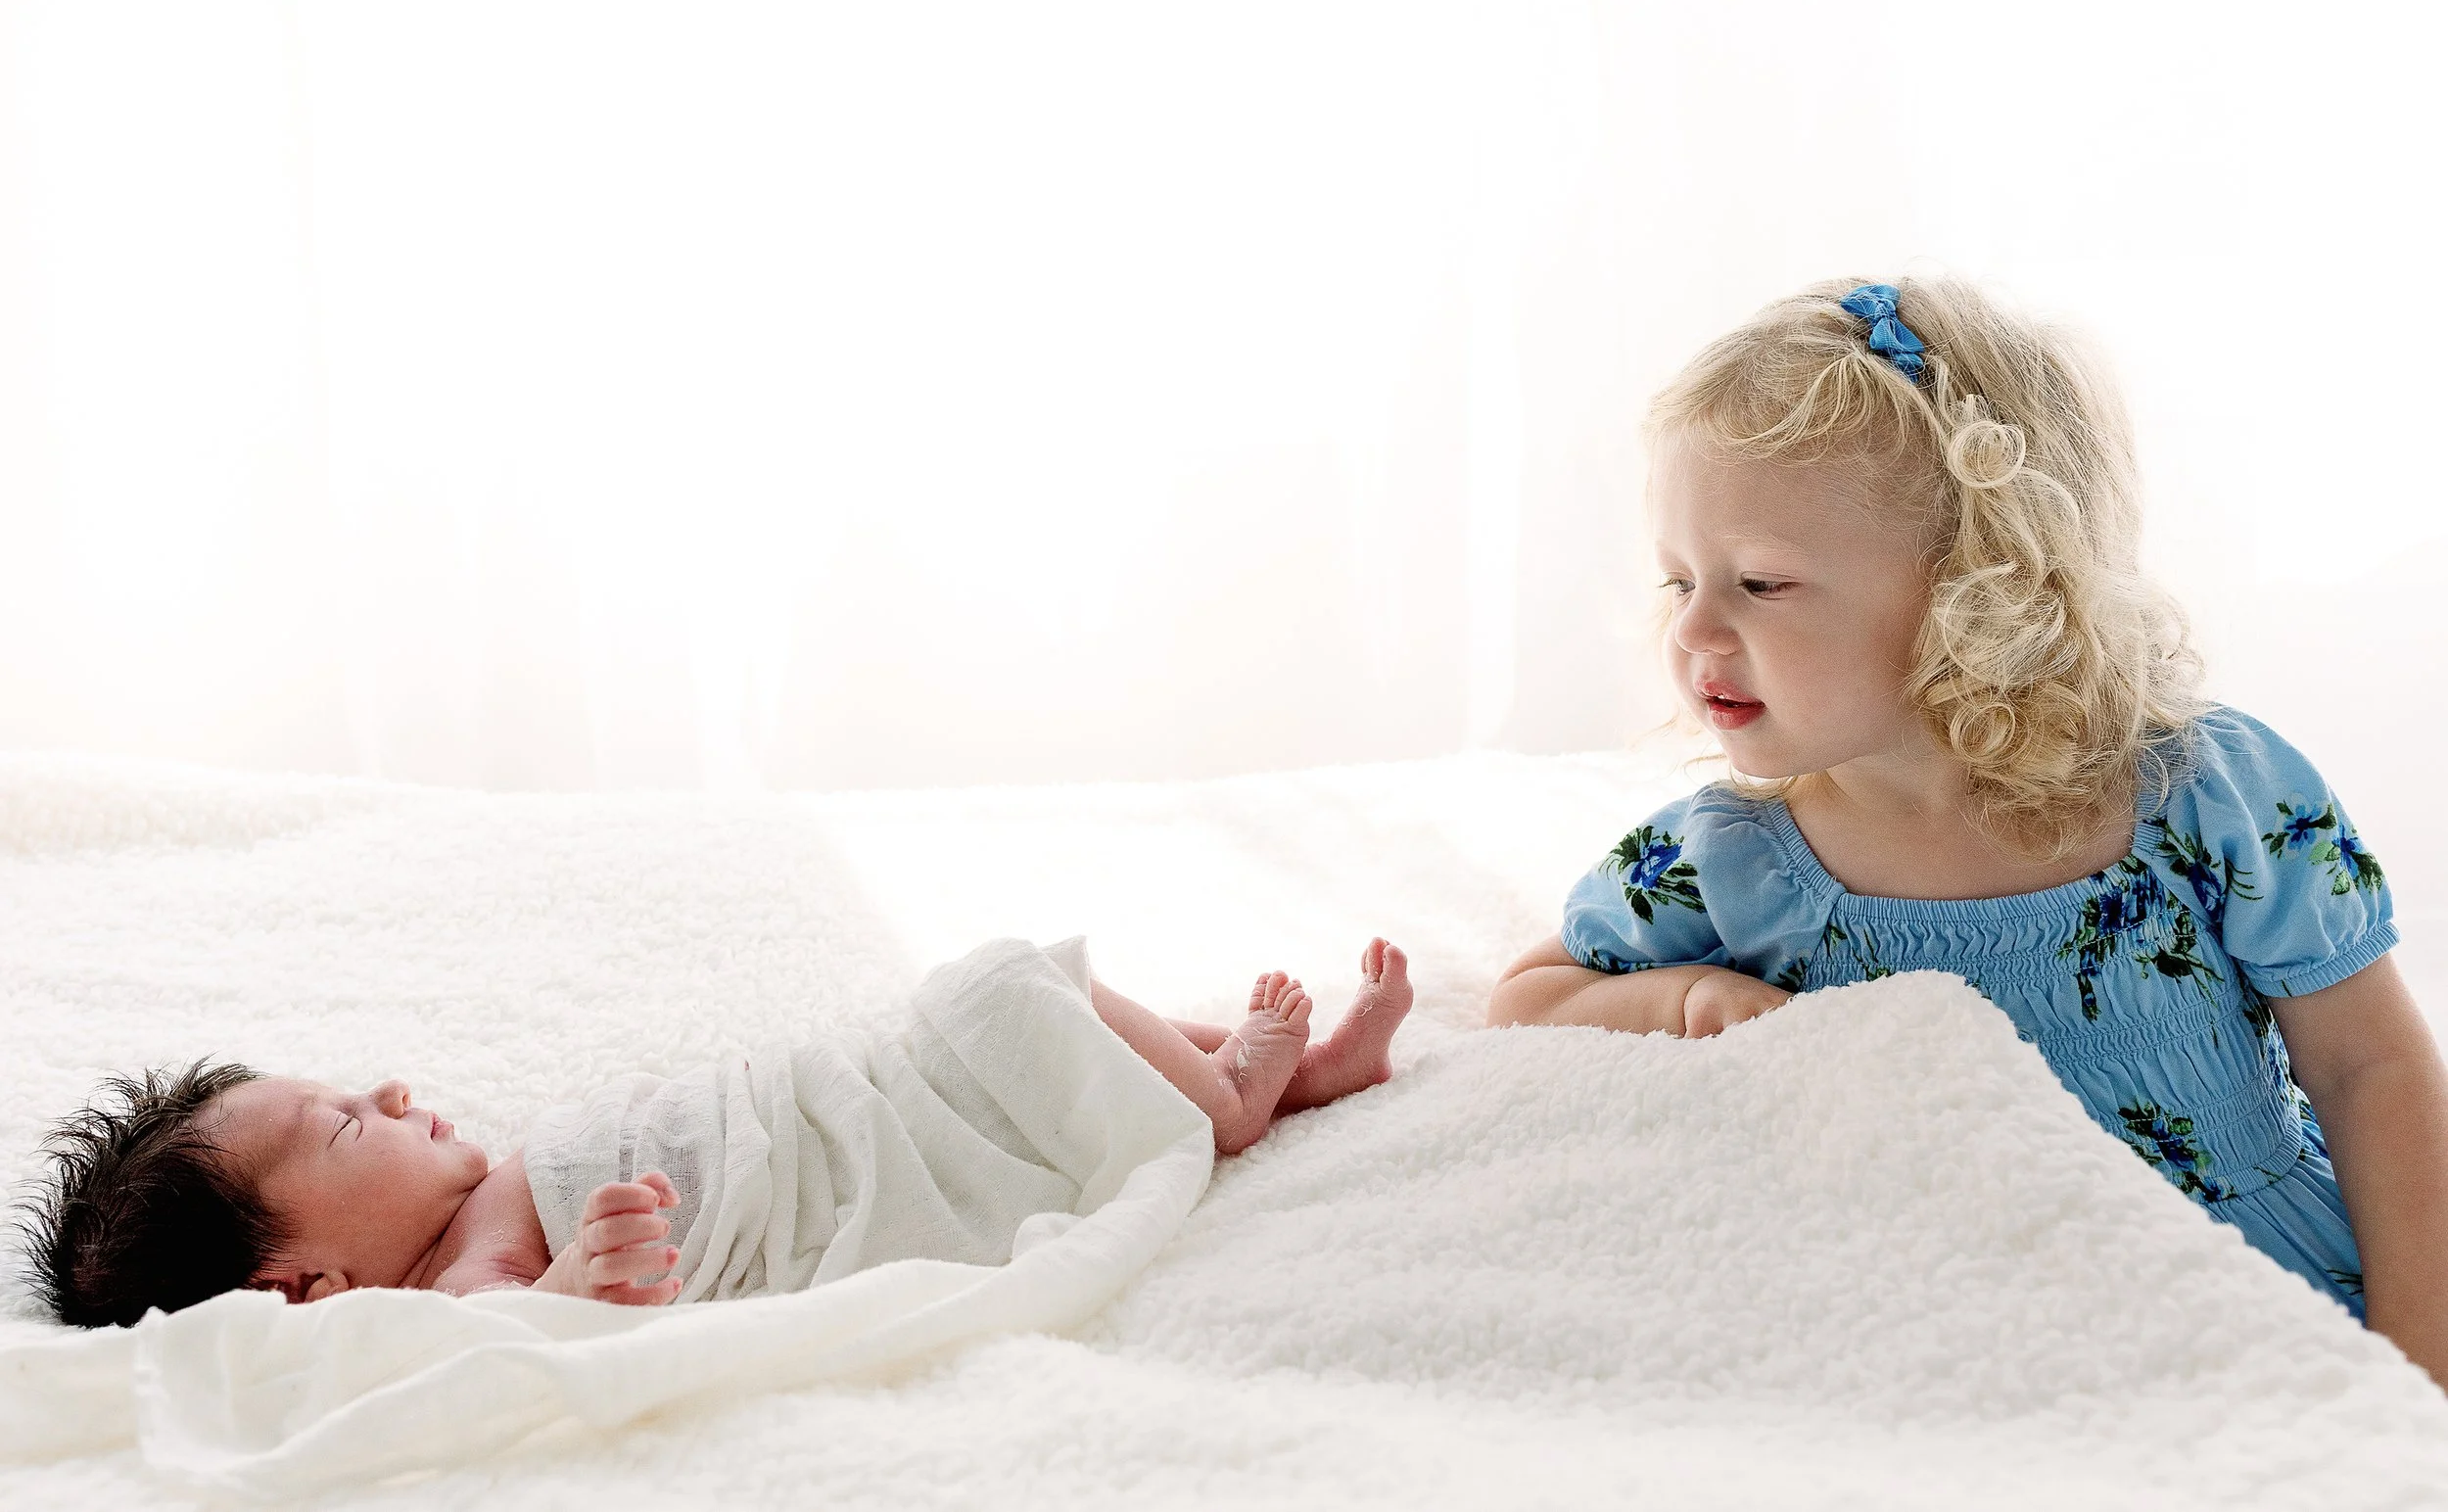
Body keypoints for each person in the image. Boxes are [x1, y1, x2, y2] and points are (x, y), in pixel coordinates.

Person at [1488, 277, 2448, 1383]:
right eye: (1678, 579)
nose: (1695, 625)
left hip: (2259, 1290)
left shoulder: (2207, 791)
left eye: (1758, 581)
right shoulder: (1728, 859)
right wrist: (1682, 998)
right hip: (1959, 1332)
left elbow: (2370, 1067)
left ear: (1976, 590)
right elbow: (1530, 995)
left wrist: (2416, 1358)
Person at [26, 938, 1411, 1326]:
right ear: (310, 1282)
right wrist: (573, 1285)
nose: (391, 1091)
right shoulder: (458, 1280)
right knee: (1005, 995)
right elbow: (521, 1344)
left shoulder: (465, 1199)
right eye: (342, 1124)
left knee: (1011, 998)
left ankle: (1242, 1062)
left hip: (847, 1090)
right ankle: (1231, 1097)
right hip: (861, 1166)